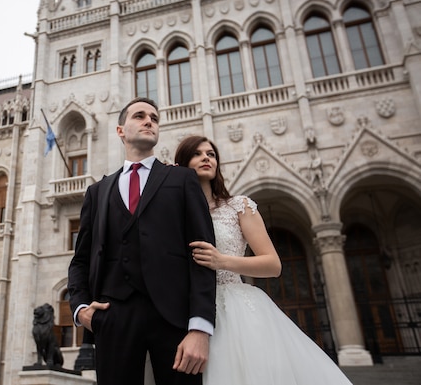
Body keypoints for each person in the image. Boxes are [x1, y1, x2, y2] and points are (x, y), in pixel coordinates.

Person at [174, 135, 354, 385]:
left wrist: (221, 261)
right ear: (182, 162)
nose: (206, 157)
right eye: (197, 153)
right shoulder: (173, 212)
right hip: (187, 310)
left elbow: (272, 264)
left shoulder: (239, 206)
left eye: (211, 154)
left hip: (235, 309)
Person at [67, 98, 217, 385]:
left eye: (154, 118)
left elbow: (202, 255)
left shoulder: (182, 179)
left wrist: (200, 328)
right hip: (112, 319)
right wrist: (80, 309)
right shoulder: (97, 192)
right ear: (121, 130)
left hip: (174, 320)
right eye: (140, 116)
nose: (149, 121)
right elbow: (81, 260)